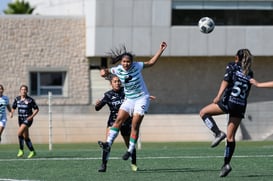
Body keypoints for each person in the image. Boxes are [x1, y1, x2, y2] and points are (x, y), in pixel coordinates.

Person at [98, 41, 167, 166]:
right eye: (124, 61)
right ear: (121, 62)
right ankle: (108, 144)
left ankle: (130, 150)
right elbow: (106, 72)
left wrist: (161, 50)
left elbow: (151, 63)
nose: (126, 64)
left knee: (135, 124)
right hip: (129, 99)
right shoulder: (117, 69)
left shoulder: (138, 66)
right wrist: (103, 72)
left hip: (141, 98)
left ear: (132, 62)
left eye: (128, 61)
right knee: (118, 120)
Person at [199, 49, 253, 177]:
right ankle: (226, 164)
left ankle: (217, 133)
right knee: (231, 138)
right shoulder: (250, 72)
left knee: (203, 112)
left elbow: (226, 81)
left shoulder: (232, 66)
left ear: (236, 58)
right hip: (240, 105)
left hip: (229, 101)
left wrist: (218, 96)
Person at [96, 75, 137, 172]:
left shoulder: (126, 92)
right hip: (113, 122)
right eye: (115, 81)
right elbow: (97, 108)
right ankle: (103, 165)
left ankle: (134, 163)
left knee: (129, 144)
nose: (117, 83)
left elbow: (137, 96)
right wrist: (97, 105)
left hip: (126, 121)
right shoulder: (108, 95)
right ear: (111, 84)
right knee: (107, 143)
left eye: (119, 81)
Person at [11, 85, 39, 159]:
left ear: (27, 91)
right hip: (20, 119)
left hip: (28, 119)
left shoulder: (30, 100)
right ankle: (32, 151)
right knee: (25, 137)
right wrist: (12, 113)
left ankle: (21, 150)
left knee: (19, 133)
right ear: (20, 91)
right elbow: (13, 107)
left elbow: (36, 109)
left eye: (25, 89)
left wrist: (31, 116)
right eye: (22, 89)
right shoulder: (17, 99)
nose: (23, 91)